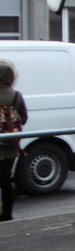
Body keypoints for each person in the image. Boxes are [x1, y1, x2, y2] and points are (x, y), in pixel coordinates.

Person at [0, 59, 28, 221]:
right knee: (5, 178)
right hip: (10, 144)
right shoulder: (16, 96)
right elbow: (23, 118)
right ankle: (7, 214)